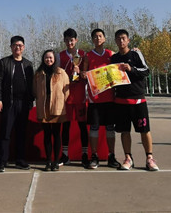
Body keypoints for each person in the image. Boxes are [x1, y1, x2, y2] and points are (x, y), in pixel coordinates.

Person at [111, 29, 159, 171]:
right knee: (124, 131)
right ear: (115, 41)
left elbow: (146, 71)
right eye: (118, 39)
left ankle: (149, 158)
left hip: (138, 100)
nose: (121, 41)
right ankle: (128, 158)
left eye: (123, 38)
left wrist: (131, 69)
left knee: (145, 130)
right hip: (121, 101)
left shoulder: (136, 54)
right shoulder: (114, 59)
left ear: (128, 40)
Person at [0, 35, 35, 172]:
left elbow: (31, 84)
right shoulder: (4, 62)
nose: (18, 47)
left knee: (21, 133)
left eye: (20, 45)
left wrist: (31, 100)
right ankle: (2, 161)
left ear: (24, 47)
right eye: (15, 45)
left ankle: (20, 160)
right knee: (5, 133)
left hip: (23, 103)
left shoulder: (28, 64)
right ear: (11, 47)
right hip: (8, 103)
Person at [81, 28, 120, 169]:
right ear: (92, 40)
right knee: (94, 128)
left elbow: (118, 68)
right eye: (95, 37)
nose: (97, 38)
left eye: (100, 36)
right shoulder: (88, 56)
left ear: (104, 38)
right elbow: (84, 73)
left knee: (110, 128)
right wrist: (83, 74)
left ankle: (111, 155)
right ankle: (94, 156)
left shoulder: (111, 54)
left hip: (109, 98)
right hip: (95, 99)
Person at [57, 28, 89, 167]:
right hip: (66, 97)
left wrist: (80, 72)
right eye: (67, 40)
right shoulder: (60, 56)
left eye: (72, 40)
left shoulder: (83, 54)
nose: (69, 42)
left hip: (80, 96)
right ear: (64, 41)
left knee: (82, 126)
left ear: (76, 40)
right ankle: (65, 155)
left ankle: (84, 154)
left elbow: (86, 74)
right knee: (66, 126)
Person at [34, 49, 70, 171]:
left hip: (57, 106)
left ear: (54, 59)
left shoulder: (61, 72)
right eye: (46, 57)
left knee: (56, 134)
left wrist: (60, 101)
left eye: (50, 57)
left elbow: (67, 91)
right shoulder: (38, 73)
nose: (48, 60)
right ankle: (48, 160)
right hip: (44, 107)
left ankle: (56, 161)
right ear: (43, 59)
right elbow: (35, 90)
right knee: (47, 134)